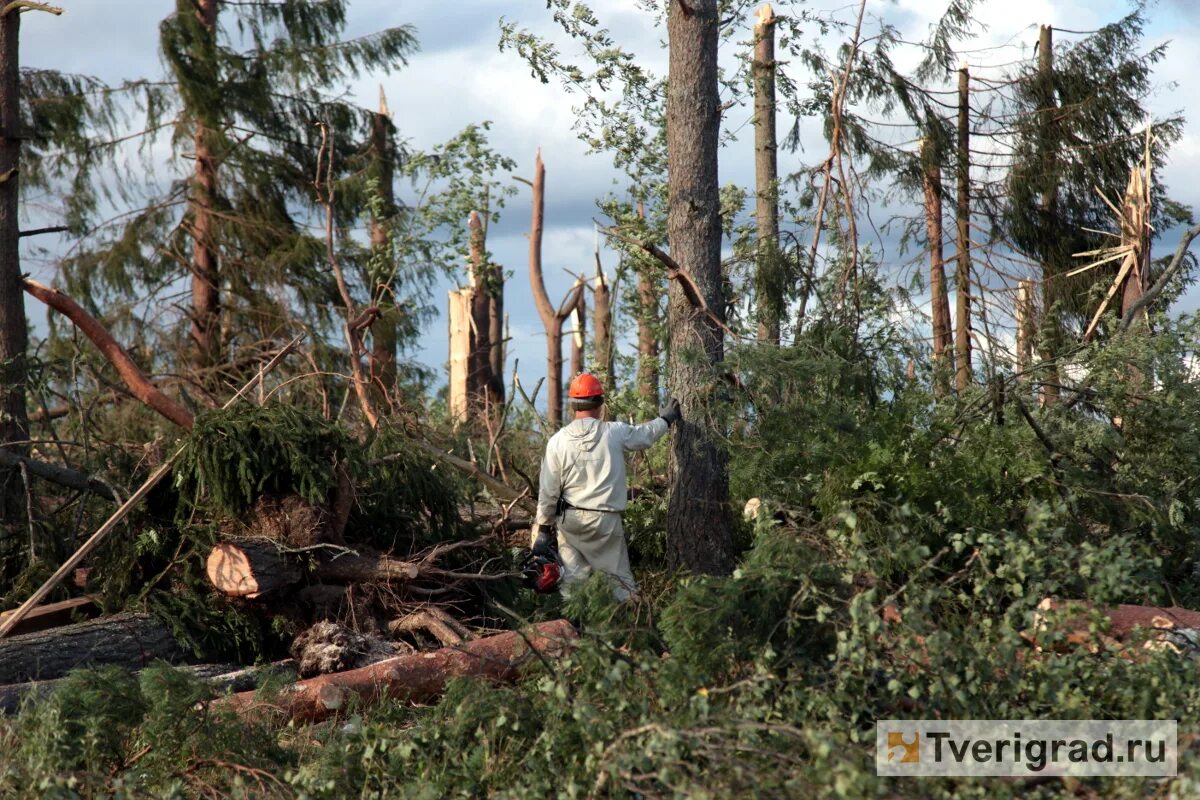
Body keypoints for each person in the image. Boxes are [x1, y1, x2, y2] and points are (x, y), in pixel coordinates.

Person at [531, 372, 681, 600]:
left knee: (573, 587)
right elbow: (644, 436)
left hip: (569, 523)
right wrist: (666, 419)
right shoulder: (614, 432)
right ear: (600, 403)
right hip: (605, 523)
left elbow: (548, 491)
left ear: (573, 405)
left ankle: (578, 632)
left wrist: (542, 529)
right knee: (620, 584)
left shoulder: (557, 441)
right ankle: (630, 630)